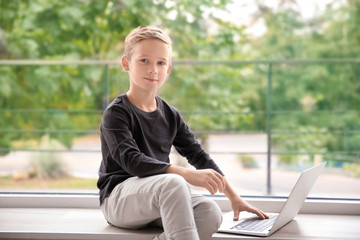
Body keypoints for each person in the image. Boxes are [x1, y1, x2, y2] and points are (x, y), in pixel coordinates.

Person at [97, 25, 269, 240]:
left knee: (210, 212)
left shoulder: (170, 114)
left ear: (168, 69)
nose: (153, 69)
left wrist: (234, 197)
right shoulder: (116, 113)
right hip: (119, 200)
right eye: (144, 60)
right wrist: (187, 174)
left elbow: (197, 155)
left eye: (161, 63)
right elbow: (132, 162)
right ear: (126, 63)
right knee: (175, 182)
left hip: (158, 197)